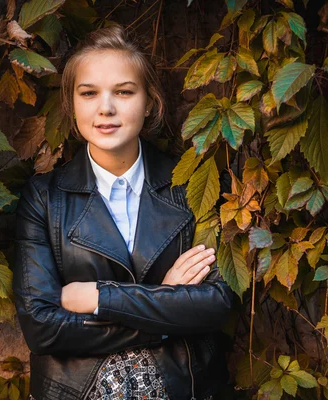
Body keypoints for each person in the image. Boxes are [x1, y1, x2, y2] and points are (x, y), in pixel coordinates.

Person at [12, 24, 234, 400]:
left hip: (183, 386)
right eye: (89, 93)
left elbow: (217, 304)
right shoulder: (44, 198)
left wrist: (100, 296)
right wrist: (164, 300)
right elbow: (42, 327)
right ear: (72, 103)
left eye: (124, 92)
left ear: (148, 102)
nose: (106, 108)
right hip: (76, 390)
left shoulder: (193, 185)